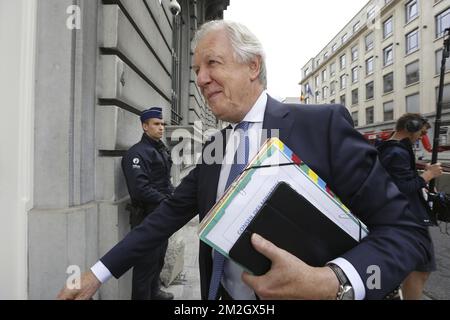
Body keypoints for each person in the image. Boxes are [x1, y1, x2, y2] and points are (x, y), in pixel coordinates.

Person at [58, 20, 432, 300]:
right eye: (196, 71)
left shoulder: (322, 126)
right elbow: (163, 219)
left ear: (252, 66)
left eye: (212, 64)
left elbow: (405, 232)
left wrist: (332, 281)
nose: (202, 79)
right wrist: (96, 275)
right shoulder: (213, 149)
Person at [376, 113, 443, 300]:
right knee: (421, 269)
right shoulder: (397, 152)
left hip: (398, 216)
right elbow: (400, 188)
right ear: (410, 127)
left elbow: (396, 180)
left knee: (414, 267)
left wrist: (420, 178)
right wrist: (427, 176)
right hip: (409, 219)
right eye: (420, 133)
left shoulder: (388, 146)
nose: (420, 138)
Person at [121, 107, 174, 300]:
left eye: (162, 124)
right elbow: (140, 189)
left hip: (161, 214)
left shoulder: (159, 150)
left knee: (158, 259)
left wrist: (172, 197)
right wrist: (168, 201)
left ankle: (154, 293)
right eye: (156, 124)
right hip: (146, 217)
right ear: (145, 126)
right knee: (145, 265)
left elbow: (165, 181)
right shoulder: (137, 154)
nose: (161, 128)